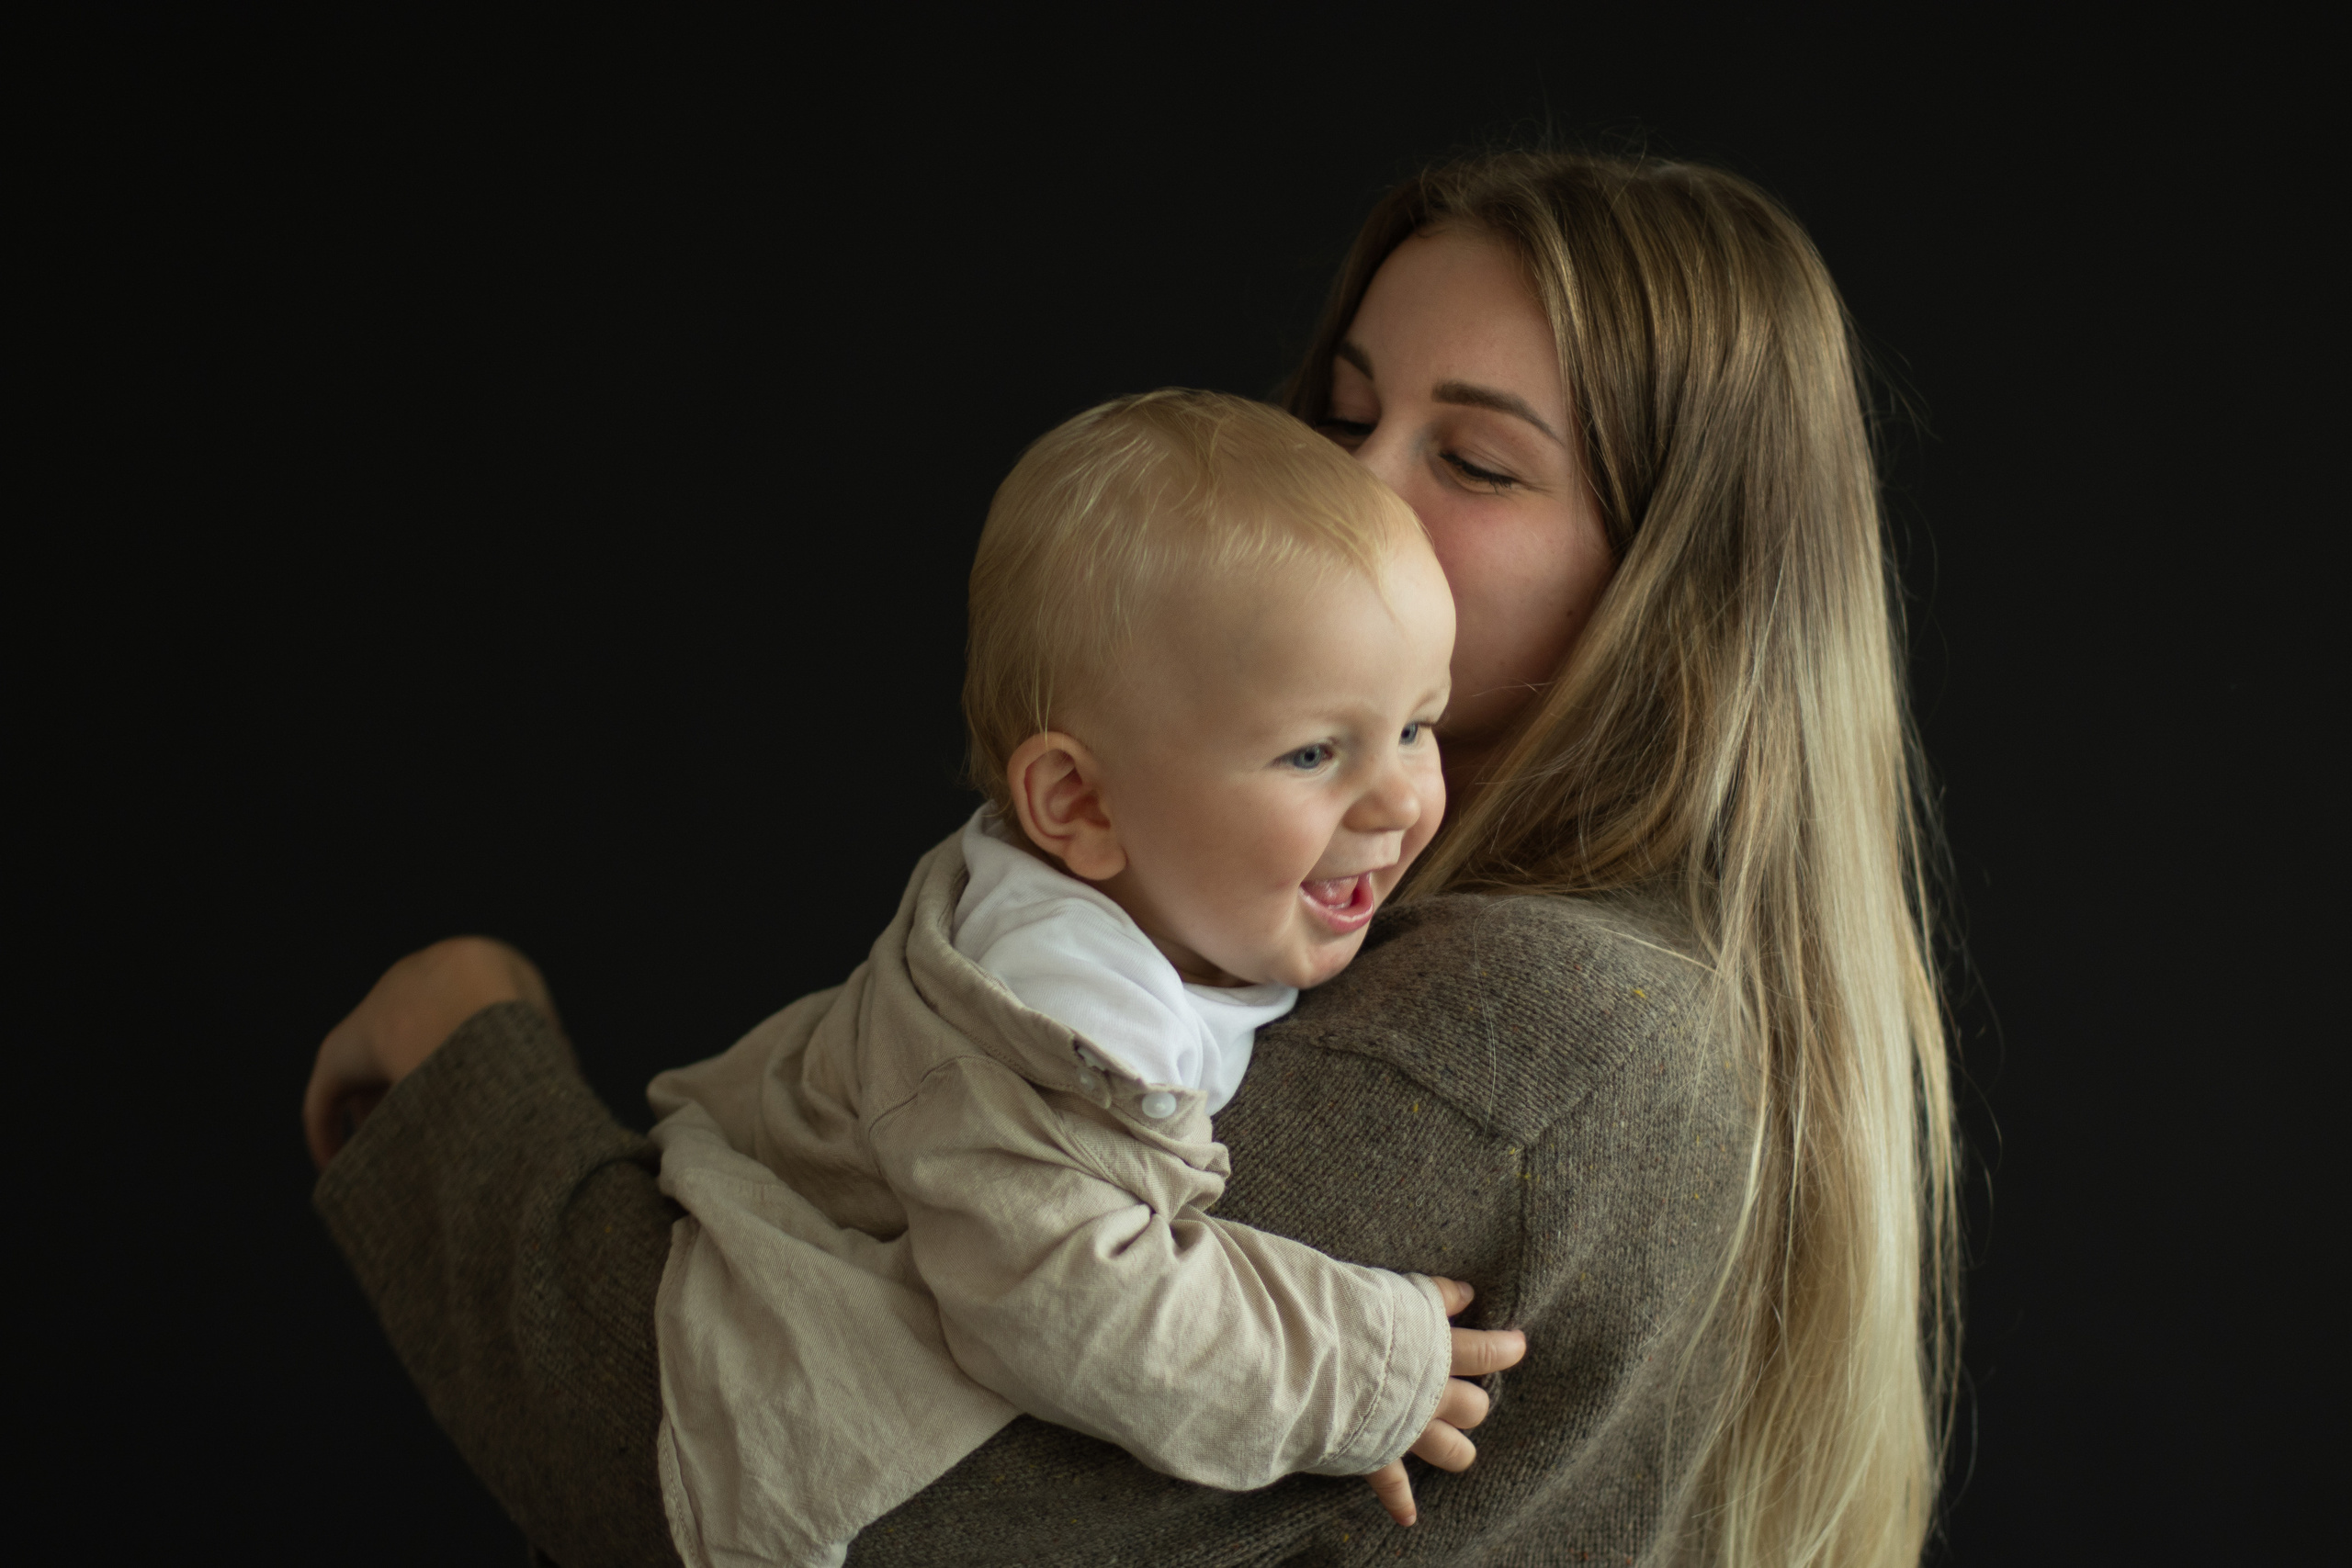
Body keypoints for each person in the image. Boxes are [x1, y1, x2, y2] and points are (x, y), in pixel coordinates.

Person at [308, 149, 1959, 1568]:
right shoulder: (1426, 938)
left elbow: (751, 1462)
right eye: (1344, 408)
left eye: (1470, 458)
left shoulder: (1540, 1027)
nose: (1338, 480)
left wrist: (464, 1040)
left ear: (1678, 587)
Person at [643, 389, 1522, 1567]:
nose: (1399, 800)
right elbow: (1076, 1311)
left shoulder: (1190, 892)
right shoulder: (1061, 1014)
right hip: (740, 1289)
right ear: (1081, 805)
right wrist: (1361, 1369)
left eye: (1418, 726)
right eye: (1315, 752)